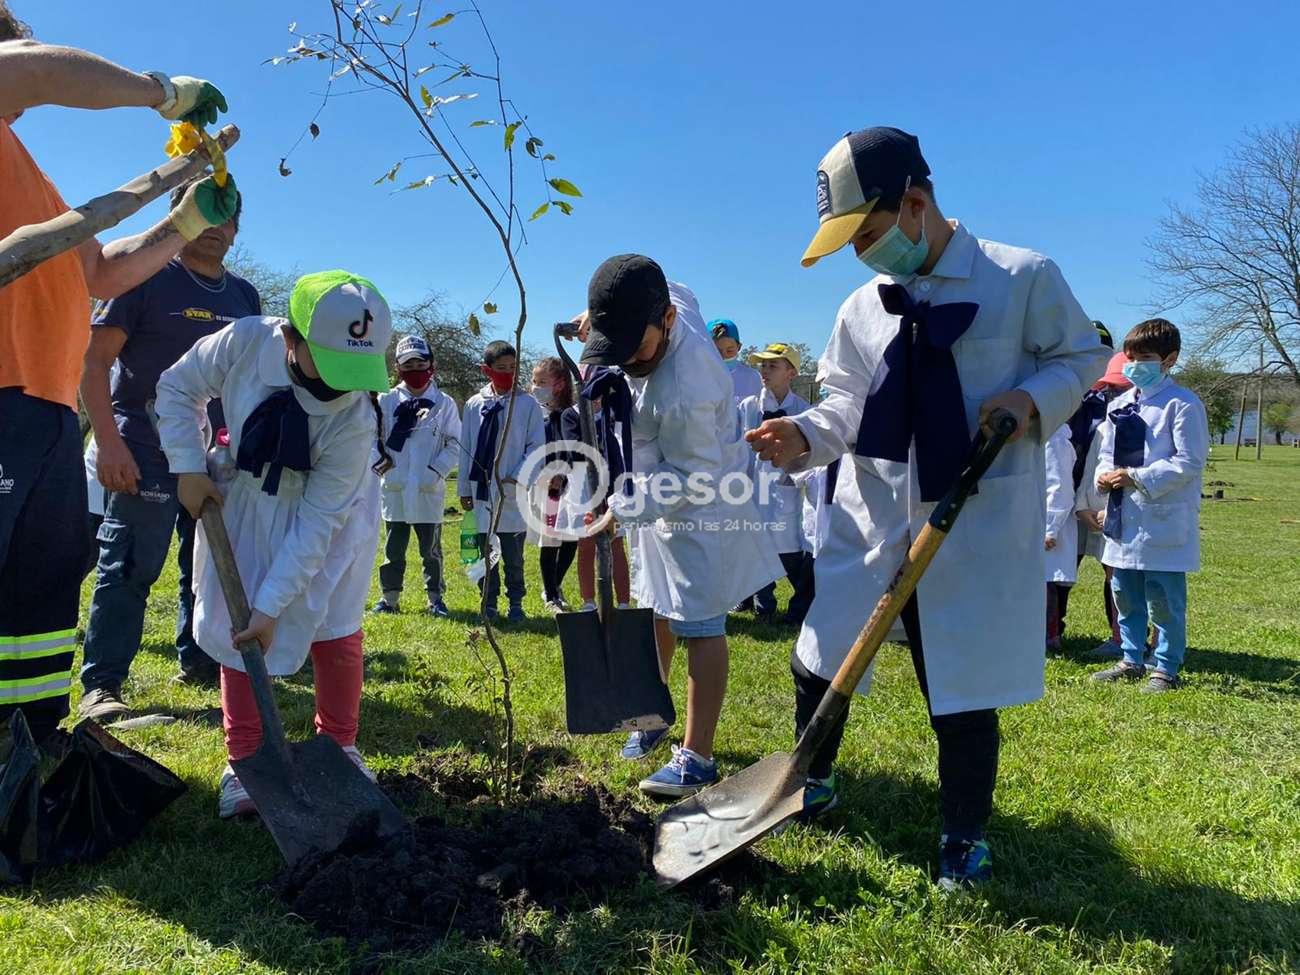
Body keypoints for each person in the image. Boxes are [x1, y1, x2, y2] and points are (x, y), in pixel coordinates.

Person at [748, 126, 1107, 888]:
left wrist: (1029, 399)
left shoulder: (1021, 277)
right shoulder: (861, 307)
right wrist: (803, 434)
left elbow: (1080, 356)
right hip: (871, 517)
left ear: (915, 202)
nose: (862, 253)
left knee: (960, 691)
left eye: (867, 233)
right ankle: (812, 778)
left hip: (970, 520)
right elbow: (846, 405)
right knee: (818, 655)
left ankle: (963, 835)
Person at [0, 8, 232, 748]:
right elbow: (35, 71)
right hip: (2, 395)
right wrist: (162, 92)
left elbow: (100, 270)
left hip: (44, 407)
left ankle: (29, 732)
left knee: (43, 576)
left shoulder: (26, 169)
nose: (31, 77)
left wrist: (184, 223)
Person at [154, 270, 391, 817]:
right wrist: (187, 466)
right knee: (238, 634)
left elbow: (318, 523)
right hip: (246, 502)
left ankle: (339, 745)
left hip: (330, 518)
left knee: (336, 628)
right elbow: (177, 387)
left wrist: (272, 606)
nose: (340, 385)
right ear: (290, 338)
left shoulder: (355, 419)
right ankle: (245, 760)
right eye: (328, 364)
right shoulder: (243, 341)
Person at [579, 255, 783, 794]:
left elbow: (692, 477)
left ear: (667, 321)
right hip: (654, 489)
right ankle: (652, 711)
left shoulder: (691, 385)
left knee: (699, 621)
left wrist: (621, 509)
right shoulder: (664, 307)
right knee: (657, 606)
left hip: (700, 504)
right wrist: (602, 322)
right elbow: (671, 286)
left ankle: (698, 756)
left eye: (635, 345)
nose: (627, 357)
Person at [76, 178, 260, 719]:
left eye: (227, 217)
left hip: (216, 458)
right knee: (129, 566)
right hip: (143, 451)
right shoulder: (143, 279)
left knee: (207, 566)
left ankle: (200, 662)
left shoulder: (244, 297)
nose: (216, 227)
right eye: (205, 213)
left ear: (236, 229)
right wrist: (110, 444)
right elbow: (93, 363)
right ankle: (102, 685)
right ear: (180, 217)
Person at [1090, 319, 1209, 693]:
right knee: (1124, 593)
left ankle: (1166, 666)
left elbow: (1189, 461)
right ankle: (1130, 657)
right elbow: (1106, 455)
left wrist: (1136, 477)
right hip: (1124, 516)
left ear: (1169, 359)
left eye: (1144, 358)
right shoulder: (1120, 404)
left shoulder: (1183, 404)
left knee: (1164, 598)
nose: (1134, 364)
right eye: (1130, 357)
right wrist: (1103, 477)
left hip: (1162, 516)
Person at [371, 335, 460, 617]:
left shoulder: (443, 403)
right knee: (393, 550)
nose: (415, 371)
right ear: (398, 368)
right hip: (395, 486)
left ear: (431, 365)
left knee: (431, 551)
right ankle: (389, 599)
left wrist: (436, 471)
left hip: (427, 488)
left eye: (420, 364)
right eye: (408, 366)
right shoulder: (386, 400)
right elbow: (372, 438)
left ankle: (436, 599)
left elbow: (455, 443)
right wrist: (381, 465)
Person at [457, 341, 545, 623]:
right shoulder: (475, 404)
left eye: (512, 367)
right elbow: (466, 447)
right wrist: (464, 488)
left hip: (511, 490)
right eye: (501, 368)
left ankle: (516, 602)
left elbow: (536, 446)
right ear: (487, 370)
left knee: (513, 554)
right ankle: (489, 601)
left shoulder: (527, 404)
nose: (507, 373)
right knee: (485, 552)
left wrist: (517, 475)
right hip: (482, 490)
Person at [738, 343, 815, 624]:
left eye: (773, 365)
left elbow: (810, 455)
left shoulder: (803, 410)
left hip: (786, 490)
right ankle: (763, 607)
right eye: (763, 365)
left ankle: (804, 604)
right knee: (755, 549)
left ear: (791, 373)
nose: (765, 371)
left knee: (790, 551)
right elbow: (737, 449)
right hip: (752, 488)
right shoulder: (748, 407)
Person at [1074, 351, 1134, 658]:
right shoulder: (1103, 427)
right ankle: (1118, 637)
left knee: (1137, 580)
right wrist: (1081, 506)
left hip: (1130, 515)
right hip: (1097, 514)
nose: (1115, 393)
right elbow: (1091, 471)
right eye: (1111, 388)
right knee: (1114, 578)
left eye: (1122, 387)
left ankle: (1141, 640)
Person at [562, 365, 634, 613]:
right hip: (584, 487)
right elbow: (575, 451)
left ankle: (623, 602)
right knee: (586, 544)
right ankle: (589, 601)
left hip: (613, 484)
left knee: (616, 544)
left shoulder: (612, 413)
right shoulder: (571, 416)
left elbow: (621, 445)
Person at [530, 356, 578, 613]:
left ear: (559, 384)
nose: (535, 387)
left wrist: (566, 473)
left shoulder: (571, 413)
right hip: (546, 485)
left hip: (571, 483)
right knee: (550, 538)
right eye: (533, 381)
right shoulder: (534, 414)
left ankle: (555, 584)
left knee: (571, 538)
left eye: (541, 382)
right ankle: (551, 596)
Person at [1043, 423, 1077, 652]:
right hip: (1031, 522)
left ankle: (1050, 636)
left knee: (1045, 583)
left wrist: (1050, 528)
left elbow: (1060, 487)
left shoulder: (1054, 439)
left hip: (1048, 524)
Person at [709, 318, 763, 402]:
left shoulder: (752, 377)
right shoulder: (697, 376)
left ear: (739, 347)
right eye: (717, 351)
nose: (723, 356)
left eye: (729, 351)